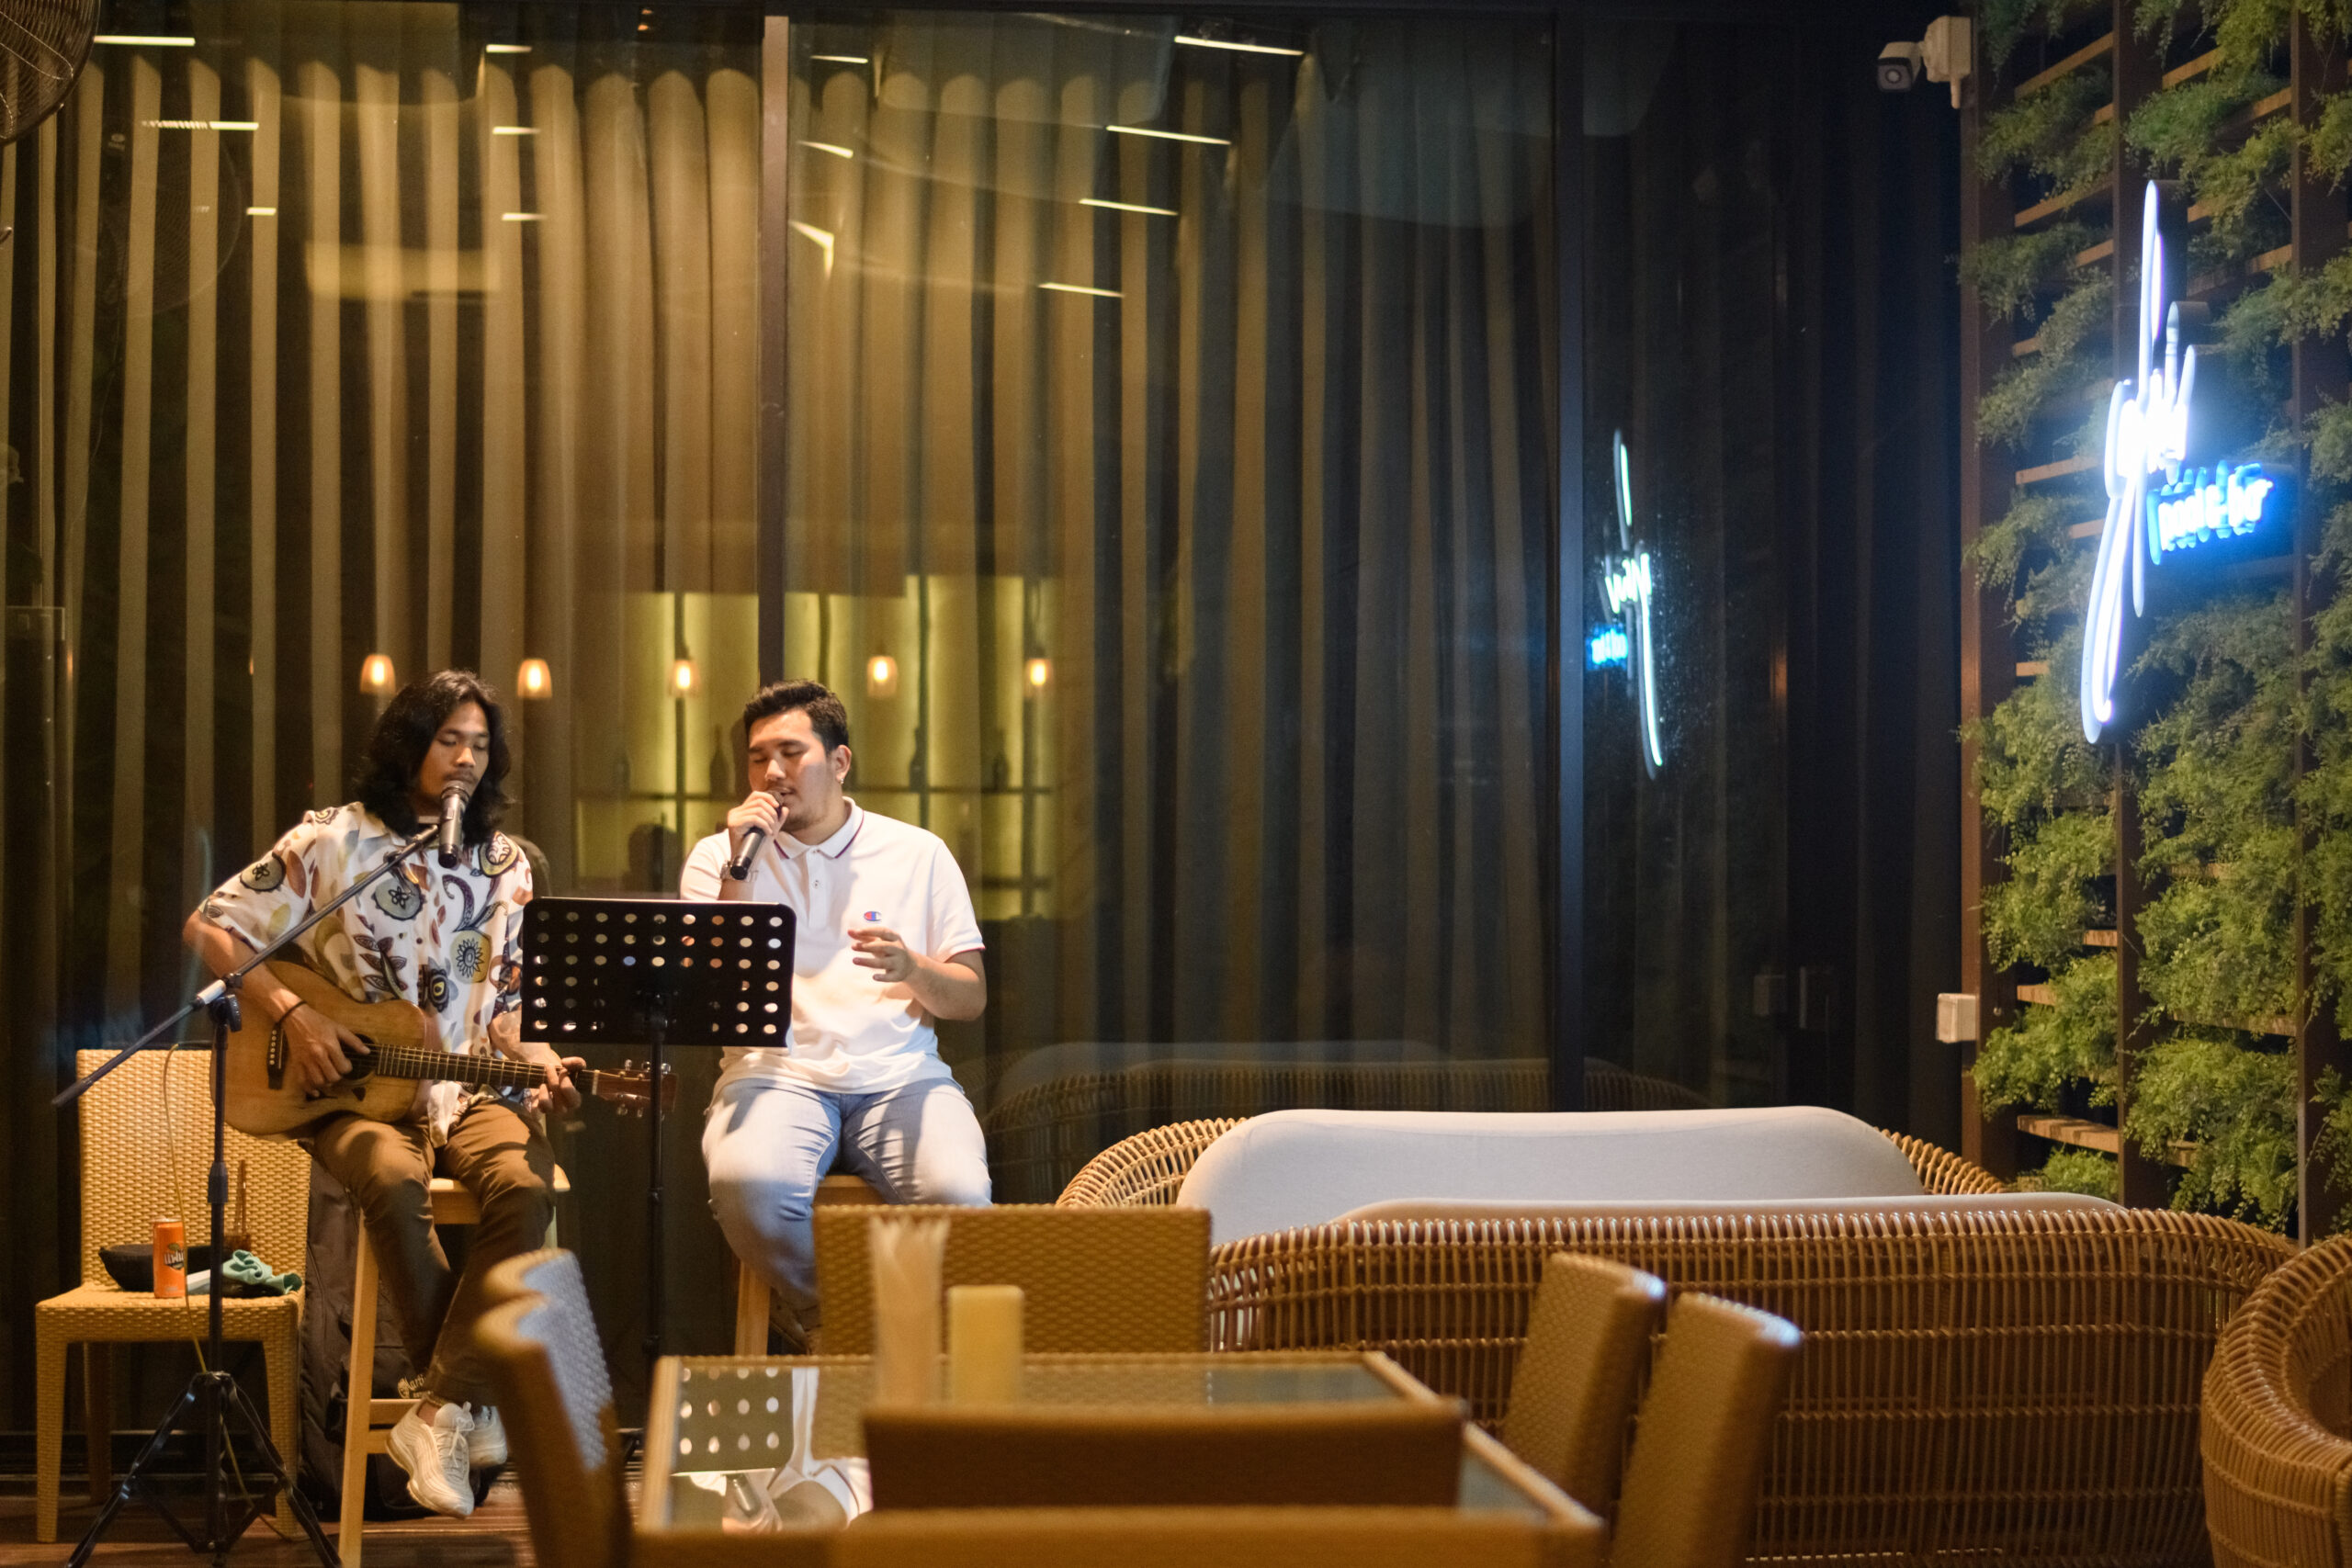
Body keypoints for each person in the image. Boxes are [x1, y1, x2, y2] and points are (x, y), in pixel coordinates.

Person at [183, 671, 583, 1519]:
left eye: (481, 745)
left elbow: (508, 1007)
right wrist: (295, 1013)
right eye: (450, 740)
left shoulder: (506, 865)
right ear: (410, 745)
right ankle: (468, 1401)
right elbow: (210, 925)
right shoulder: (334, 840)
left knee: (524, 1187)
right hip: (352, 1092)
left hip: (471, 1089)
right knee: (395, 1183)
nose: (466, 759)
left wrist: (543, 1059)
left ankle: (436, 1411)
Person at [682, 679, 990, 1348]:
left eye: (791, 753)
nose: (772, 772)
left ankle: (892, 1341)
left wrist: (913, 969)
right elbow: (710, 992)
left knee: (963, 1200)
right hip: (773, 1075)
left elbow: (970, 997)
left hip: (902, 1077)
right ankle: (842, 1324)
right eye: (758, 757)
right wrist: (741, 867)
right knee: (748, 1190)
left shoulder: (917, 852)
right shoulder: (719, 858)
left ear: (840, 760)